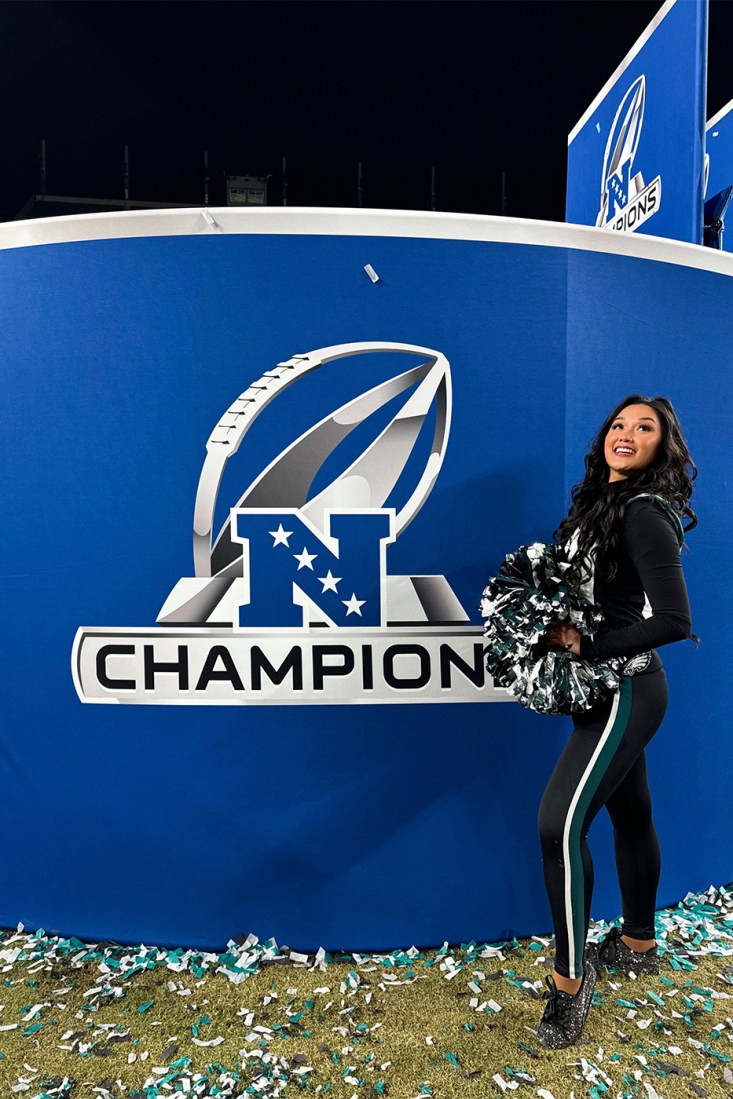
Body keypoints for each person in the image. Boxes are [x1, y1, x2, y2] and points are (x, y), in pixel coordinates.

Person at [534, 395, 697, 1049]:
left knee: (558, 824)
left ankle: (568, 988)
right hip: (600, 689)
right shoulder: (597, 504)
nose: (626, 433)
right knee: (630, 812)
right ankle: (635, 942)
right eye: (619, 424)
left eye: (644, 427)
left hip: (627, 687)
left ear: (662, 446)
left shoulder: (642, 512)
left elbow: (674, 621)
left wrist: (584, 646)